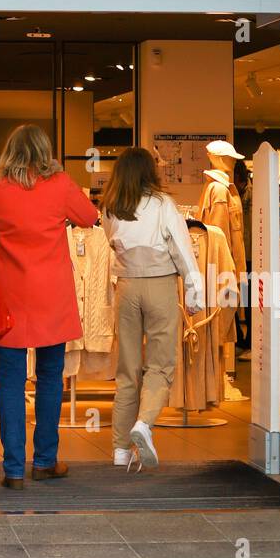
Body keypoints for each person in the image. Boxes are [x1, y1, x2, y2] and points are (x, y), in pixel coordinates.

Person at [0, 124, 99, 488]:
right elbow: (91, 217)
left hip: (10, 299)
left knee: (10, 384)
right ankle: (45, 460)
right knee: (50, 379)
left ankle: (13, 468)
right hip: (52, 299)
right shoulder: (60, 184)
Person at [102, 147, 205, 471]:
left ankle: (120, 450)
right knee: (161, 365)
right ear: (150, 171)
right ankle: (144, 423)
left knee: (127, 371)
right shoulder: (163, 205)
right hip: (160, 284)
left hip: (127, 288)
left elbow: (110, 244)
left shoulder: (110, 207)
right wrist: (194, 290)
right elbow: (181, 248)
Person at [233, 159, 252, 359]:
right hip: (241, 254)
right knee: (235, 298)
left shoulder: (249, 195)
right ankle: (239, 339)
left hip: (250, 255)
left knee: (249, 301)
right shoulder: (237, 194)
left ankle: (248, 343)